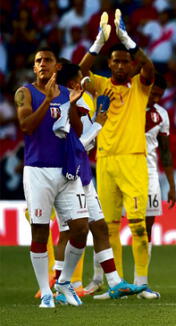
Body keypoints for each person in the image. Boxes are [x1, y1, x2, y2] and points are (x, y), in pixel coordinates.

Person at [78, 10, 156, 295]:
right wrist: (99, 41)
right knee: (108, 228)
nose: (121, 66)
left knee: (138, 227)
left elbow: (150, 69)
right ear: (109, 64)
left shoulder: (139, 85)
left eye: (125, 61)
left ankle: (143, 283)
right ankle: (117, 284)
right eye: (116, 61)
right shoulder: (99, 84)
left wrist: (127, 39)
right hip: (106, 161)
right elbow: (77, 73)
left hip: (133, 160)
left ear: (130, 65)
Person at [54, 61, 146, 302]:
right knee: (70, 232)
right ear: (74, 83)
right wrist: (99, 123)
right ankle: (59, 285)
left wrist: (96, 119)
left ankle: (115, 282)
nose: (87, 81)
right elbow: (76, 146)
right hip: (66, 176)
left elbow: (84, 143)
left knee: (100, 227)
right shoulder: (65, 105)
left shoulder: (82, 102)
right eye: (82, 78)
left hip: (83, 174)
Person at [16, 48, 88, 308]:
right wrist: (46, 100)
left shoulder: (69, 94)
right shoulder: (25, 92)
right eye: (38, 61)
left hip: (67, 169)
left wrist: (71, 106)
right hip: (38, 170)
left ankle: (64, 281)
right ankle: (45, 291)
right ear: (34, 68)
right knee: (39, 231)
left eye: (48, 60)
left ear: (57, 67)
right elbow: (26, 126)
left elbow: (77, 132)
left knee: (81, 228)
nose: (43, 64)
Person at [140, 73, 176, 299]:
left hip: (150, 175)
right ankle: (101, 280)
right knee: (108, 226)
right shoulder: (128, 104)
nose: (154, 97)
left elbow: (165, 151)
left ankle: (141, 283)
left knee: (147, 228)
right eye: (152, 92)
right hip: (122, 170)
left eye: (159, 95)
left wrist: (172, 185)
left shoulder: (161, 114)